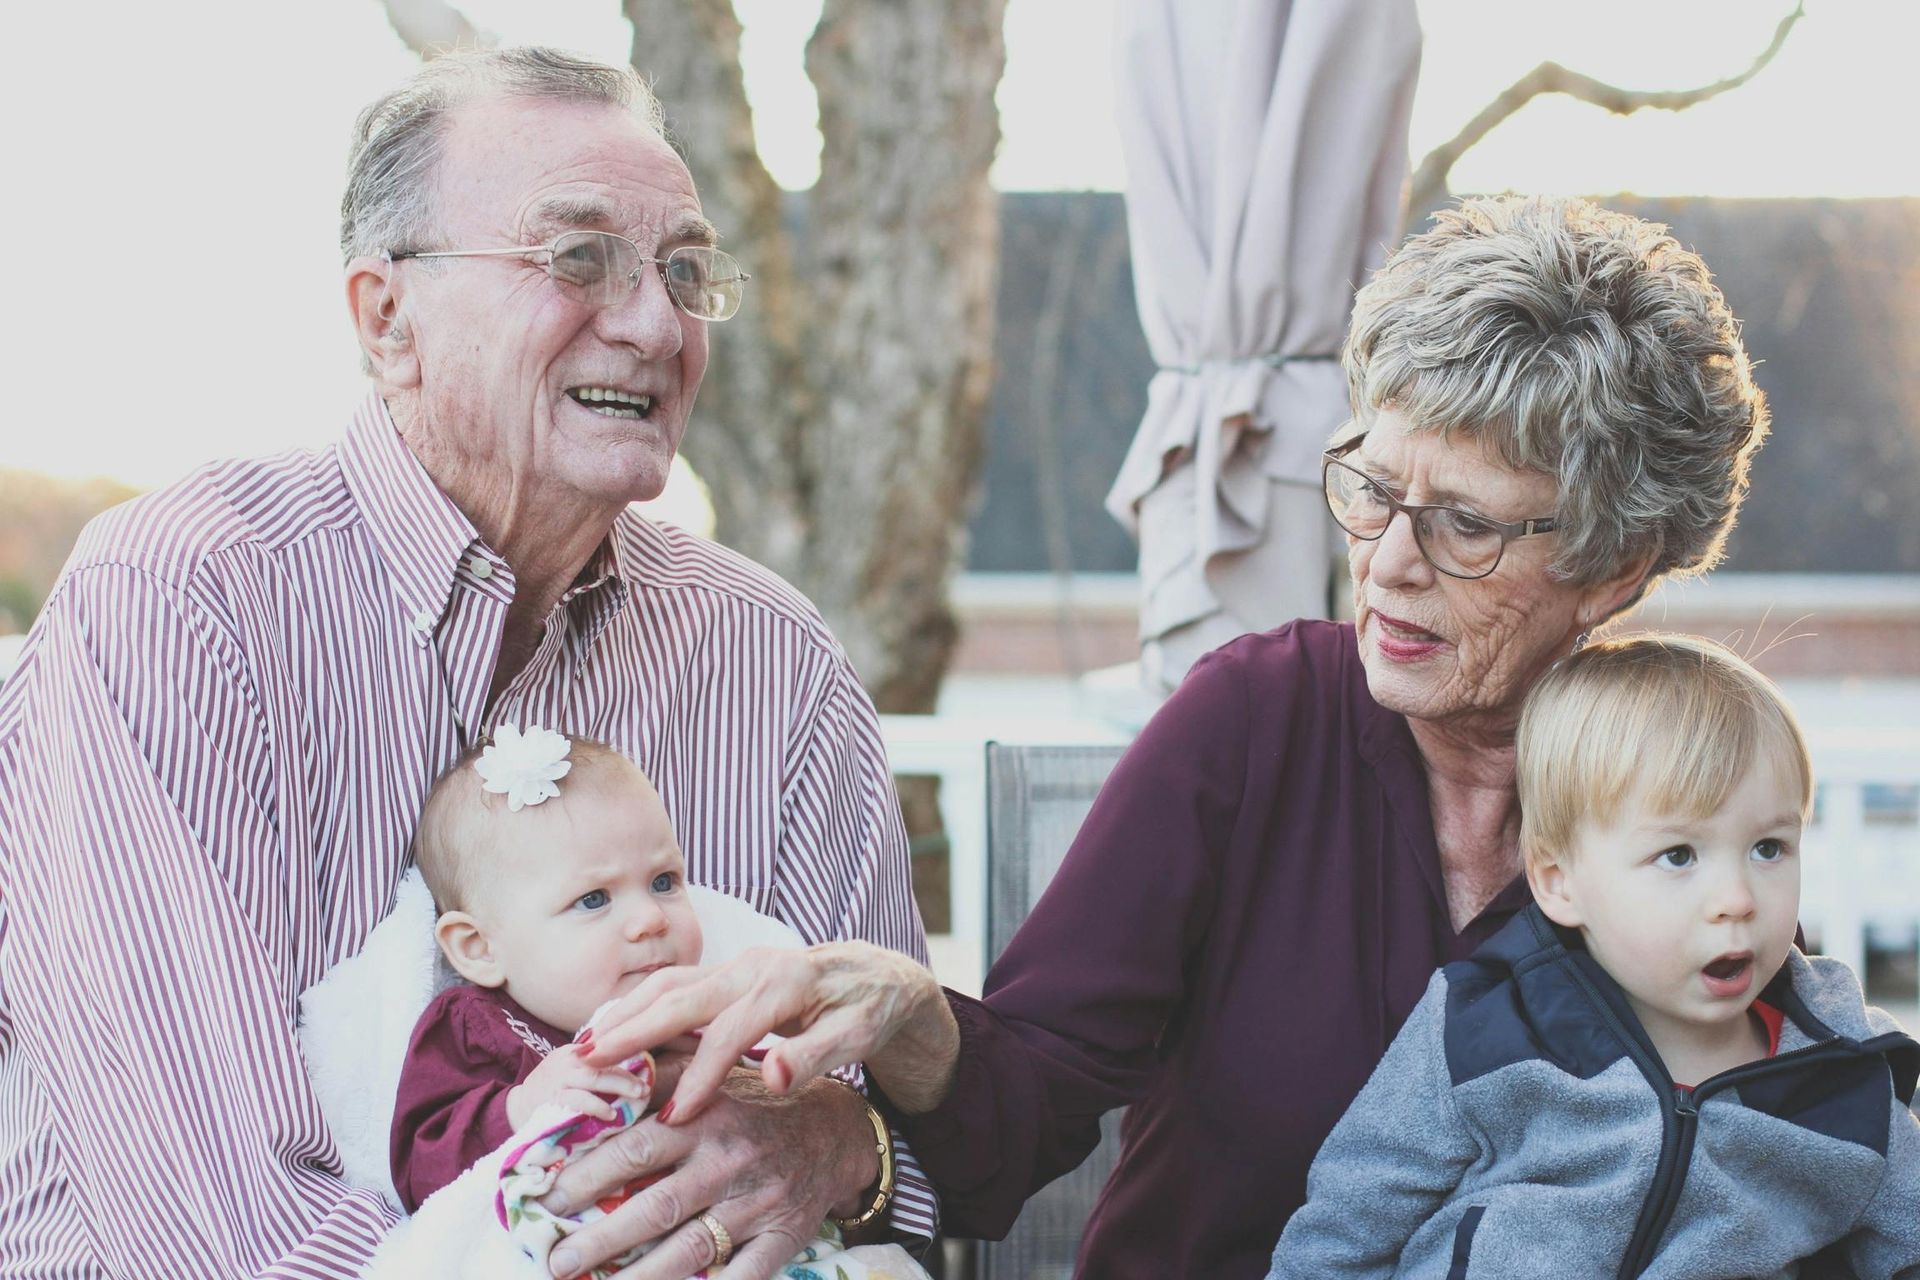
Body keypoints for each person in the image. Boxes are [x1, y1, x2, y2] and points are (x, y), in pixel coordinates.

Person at [575, 195, 1780, 1278]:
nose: (1388, 563)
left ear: (1613, 567)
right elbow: (1016, 1121)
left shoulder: (1694, 793)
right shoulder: (1257, 723)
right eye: (1370, 486)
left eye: (1465, 523)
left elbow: (1772, 1139)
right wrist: (910, 1006)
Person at [0, 48, 933, 1280]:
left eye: (686, 271)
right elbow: (212, 1222)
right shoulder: (185, 598)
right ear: (390, 320)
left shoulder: (773, 656)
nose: (656, 322)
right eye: (578, 256)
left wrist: (839, 1141)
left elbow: (905, 1155)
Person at [1269, 634, 1920, 1278]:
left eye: (1769, 848)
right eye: (1679, 856)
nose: (1736, 898)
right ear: (1559, 881)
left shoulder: (1846, 1080)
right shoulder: (1487, 1029)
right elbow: (1349, 1223)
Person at [391, 728, 698, 1212]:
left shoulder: (704, 1009)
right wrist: (522, 1107)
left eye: (664, 881)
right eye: (593, 899)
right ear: (480, 949)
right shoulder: (478, 1028)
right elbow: (419, 1168)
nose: (651, 919)